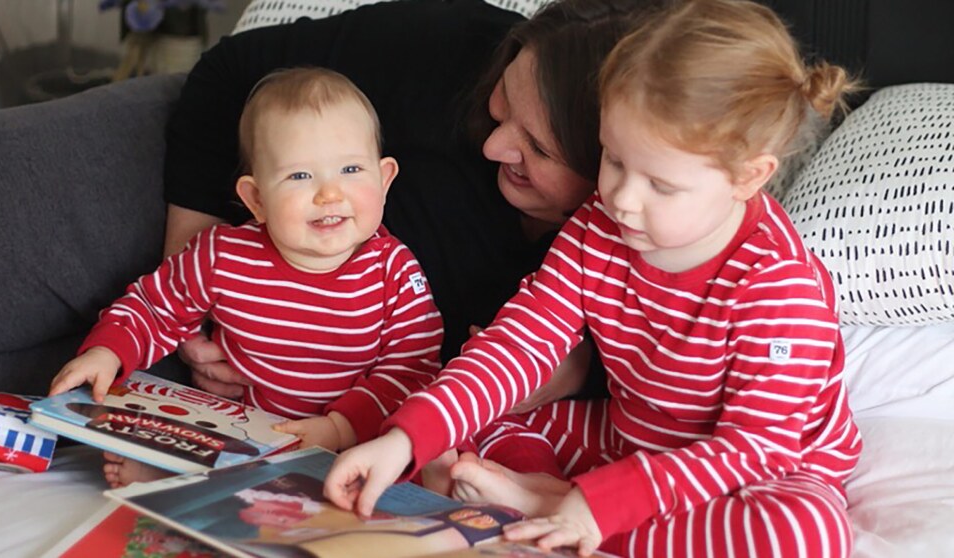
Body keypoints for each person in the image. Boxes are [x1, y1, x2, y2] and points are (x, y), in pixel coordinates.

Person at [324, 1, 864, 556]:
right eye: (614, 159)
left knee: (804, 535)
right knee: (460, 415)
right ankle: (548, 492)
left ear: (747, 177)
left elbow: (752, 449)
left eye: (661, 184)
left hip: (751, 473)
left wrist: (598, 506)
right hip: (629, 436)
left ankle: (550, 506)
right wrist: (404, 439)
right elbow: (521, 342)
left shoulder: (778, 285)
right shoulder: (599, 226)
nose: (622, 199)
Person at [163, 0, 657, 411]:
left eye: (539, 149)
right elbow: (227, 76)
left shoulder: (667, 240)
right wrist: (189, 285)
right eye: (504, 98)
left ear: (615, 166)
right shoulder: (444, 46)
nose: (493, 148)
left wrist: (581, 373)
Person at [49, 67, 444, 486]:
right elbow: (155, 307)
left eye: (350, 170)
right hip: (253, 433)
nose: (329, 194)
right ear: (256, 199)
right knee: (216, 448)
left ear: (384, 180)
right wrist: (106, 353)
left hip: (358, 443)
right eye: (300, 176)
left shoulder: (394, 271)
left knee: (418, 462)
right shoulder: (223, 255)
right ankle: (168, 474)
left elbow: (412, 371)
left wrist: (339, 429)